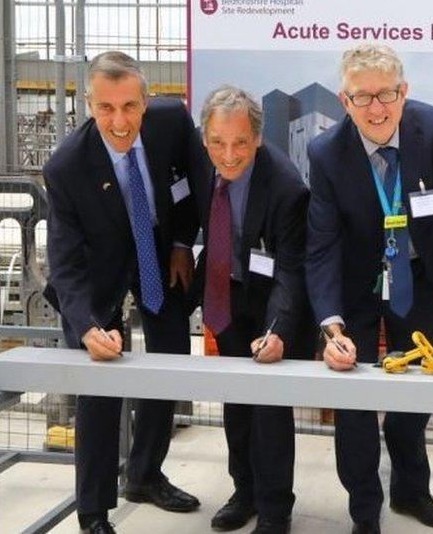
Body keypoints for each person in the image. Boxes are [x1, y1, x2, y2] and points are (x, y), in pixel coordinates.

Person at [306, 43, 433, 534]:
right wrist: (331, 326)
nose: (377, 108)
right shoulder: (325, 153)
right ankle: (365, 510)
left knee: (415, 392)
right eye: (362, 97)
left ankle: (412, 492)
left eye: (386, 93)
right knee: (355, 404)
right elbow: (320, 246)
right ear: (345, 102)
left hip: (418, 279)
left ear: (404, 92)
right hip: (358, 283)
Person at [43, 51, 201, 534]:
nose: (119, 121)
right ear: (89, 104)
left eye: (129, 107)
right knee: (100, 384)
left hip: (158, 252)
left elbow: (200, 184)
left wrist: (180, 243)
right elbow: (65, 265)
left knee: (168, 362)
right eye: (106, 108)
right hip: (100, 271)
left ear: (146, 102)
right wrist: (88, 325)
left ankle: (146, 475)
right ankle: (92, 512)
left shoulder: (173, 121)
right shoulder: (66, 168)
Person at [189, 86, 313, 534]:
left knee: (269, 410)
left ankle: (276, 508)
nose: (229, 154)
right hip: (228, 294)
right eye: (218, 142)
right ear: (205, 138)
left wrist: (277, 330)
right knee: (237, 403)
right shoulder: (199, 163)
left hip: (273, 304)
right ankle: (244, 492)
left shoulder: (286, 188)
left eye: (240, 142)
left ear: (257, 139)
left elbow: (291, 272)